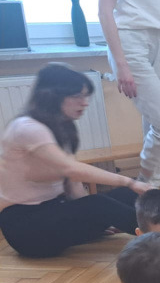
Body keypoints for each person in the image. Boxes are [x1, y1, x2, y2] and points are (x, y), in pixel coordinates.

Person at [0, 64, 150, 258]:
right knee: (101, 203)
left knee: (126, 195)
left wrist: (92, 221)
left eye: (86, 96)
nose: (85, 103)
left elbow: (72, 182)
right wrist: (128, 181)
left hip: (53, 213)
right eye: (77, 96)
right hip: (26, 230)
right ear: (52, 95)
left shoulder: (61, 127)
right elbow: (71, 169)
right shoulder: (27, 128)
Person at [98, 0, 160, 188]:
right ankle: (146, 181)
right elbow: (104, 13)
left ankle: (150, 187)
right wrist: (121, 64)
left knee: (155, 123)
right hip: (130, 41)